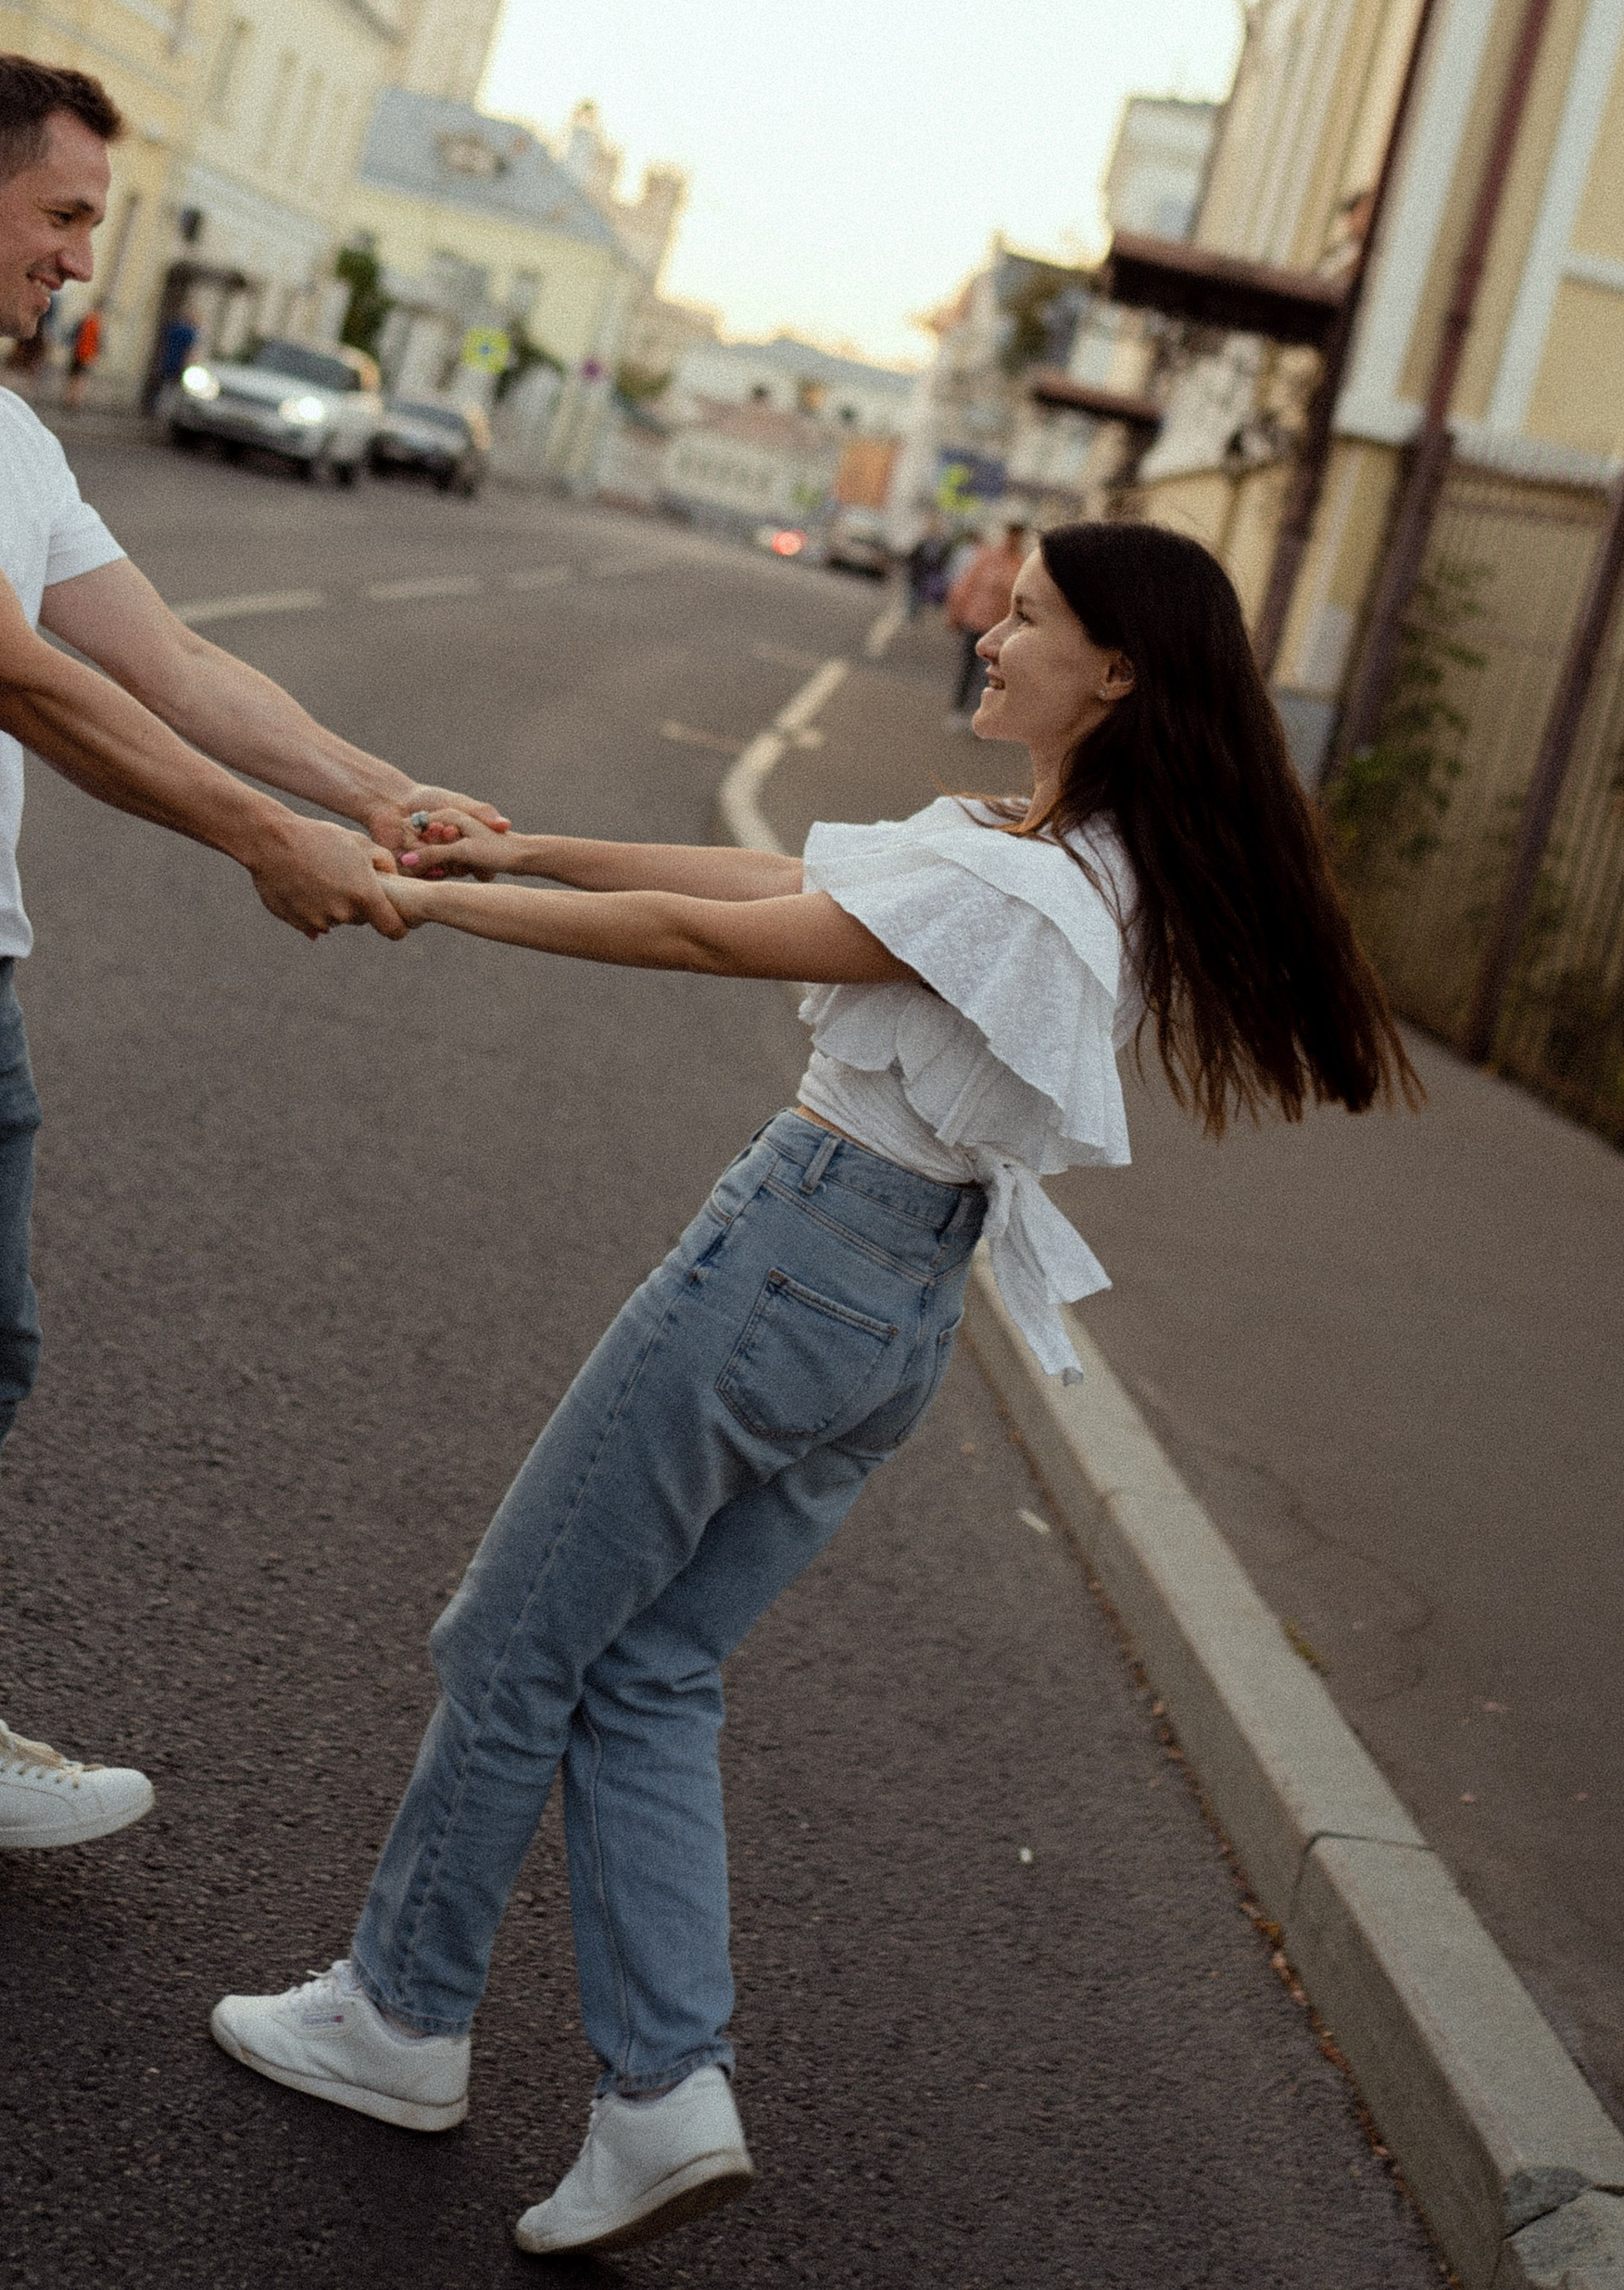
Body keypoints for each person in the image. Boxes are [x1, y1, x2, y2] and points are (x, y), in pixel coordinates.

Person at [210, 519, 1414, 2258]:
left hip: (789, 1260)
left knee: (515, 1634)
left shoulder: (1018, 891)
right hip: (897, 1310)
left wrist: (432, 899)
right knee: (649, 1666)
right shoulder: (1071, 864)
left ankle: (398, 2018)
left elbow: (727, 950)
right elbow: (761, 880)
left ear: (1122, 673)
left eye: (1033, 615)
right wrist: (527, 840)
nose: (987, 628)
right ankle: (662, 2097)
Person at [0, 53, 506, 2014]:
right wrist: (260, 843)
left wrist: (382, 790)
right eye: (60, 221)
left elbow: (169, 658)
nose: (77, 263)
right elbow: (17, 678)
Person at [944, 514, 1027, 718]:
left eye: (1018, 535)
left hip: (999, 629)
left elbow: (1022, 601)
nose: (1013, 539)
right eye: (1011, 534)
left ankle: (979, 714)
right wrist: (955, 612)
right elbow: (966, 585)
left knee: (988, 675)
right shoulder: (987, 556)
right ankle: (958, 708)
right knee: (968, 667)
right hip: (974, 621)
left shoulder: (1020, 565)